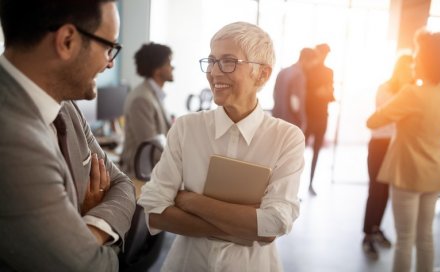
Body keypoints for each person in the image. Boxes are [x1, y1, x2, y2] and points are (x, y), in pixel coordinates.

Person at [138, 21, 305, 271]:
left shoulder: (286, 138)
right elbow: (154, 209)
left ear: (262, 73)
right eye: (211, 60)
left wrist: (192, 202)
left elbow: (274, 223)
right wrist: (246, 226)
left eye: (228, 61)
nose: (214, 72)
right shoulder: (186, 128)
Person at [0, 0, 136, 271]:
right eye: (109, 48)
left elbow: (122, 184)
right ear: (67, 41)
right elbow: (90, 267)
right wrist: (85, 232)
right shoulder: (12, 139)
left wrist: (89, 228)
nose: (110, 64)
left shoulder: (66, 106)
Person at [367, 29, 440, 272]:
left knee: (405, 240)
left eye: (418, 56)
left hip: (407, 172)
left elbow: (373, 121)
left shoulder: (411, 93)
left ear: (429, 61)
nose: (415, 61)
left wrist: (401, 101)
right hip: (433, 172)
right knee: (425, 237)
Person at [362, 53, 414, 259]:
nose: (411, 72)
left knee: (385, 192)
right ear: (400, 69)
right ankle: (367, 234)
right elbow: (387, 118)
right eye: (408, 68)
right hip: (380, 145)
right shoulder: (385, 89)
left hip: (397, 146)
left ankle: (376, 229)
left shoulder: (409, 92)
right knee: (376, 190)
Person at [120, 42, 174, 178]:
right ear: (157, 70)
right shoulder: (141, 99)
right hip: (140, 175)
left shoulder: (154, 94)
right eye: (168, 63)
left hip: (153, 171)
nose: (172, 67)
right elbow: (152, 149)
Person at [304, 43, 335, 195]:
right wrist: (320, 93)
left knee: (316, 151)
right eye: (323, 53)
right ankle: (294, 186)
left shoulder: (329, 72)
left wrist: (324, 92)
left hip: (322, 117)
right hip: (309, 117)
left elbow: (331, 94)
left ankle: (310, 183)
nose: (324, 57)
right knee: (299, 152)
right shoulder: (308, 70)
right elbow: (306, 94)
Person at [272, 48, 316, 131]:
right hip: (290, 123)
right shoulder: (299, 75)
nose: (311, 67)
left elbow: (274, 94)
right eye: (312, 64)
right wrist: (302, 121)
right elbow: (295, 102)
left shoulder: (282, 72)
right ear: (305, 60)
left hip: (276, 118)